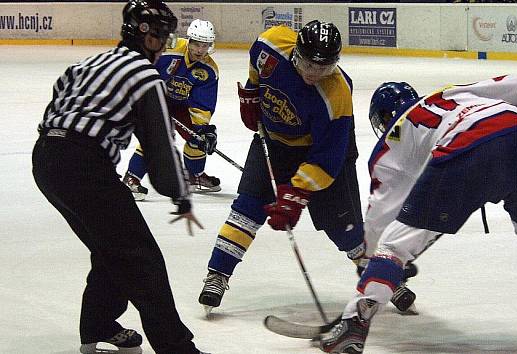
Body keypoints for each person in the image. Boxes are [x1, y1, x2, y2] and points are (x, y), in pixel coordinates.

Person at [319, 75, 517, 353]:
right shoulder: (450, 93)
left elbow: (381, 213)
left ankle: (353, 323)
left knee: (395, 245)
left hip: (463, 151)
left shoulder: (393, 137)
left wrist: (370, 260)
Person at [31, 1, 209, 353]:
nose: (165, 43)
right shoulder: (145, 76)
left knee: (110, 248)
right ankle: (177, 348)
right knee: (141, 257)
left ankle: (98, 324)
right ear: (149, 37)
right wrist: (180, 194)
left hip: (46, 160)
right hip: (84, 167)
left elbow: (57, 106)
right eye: (163, 36)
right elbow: (159, 147)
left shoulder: (86, 63)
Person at [197, 20, 368, 315]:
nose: (314, 74)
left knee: (342, 224)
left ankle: (380, 275)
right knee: (247, 208)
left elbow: (328, 158)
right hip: (273, 143)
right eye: (308, 64)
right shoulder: (271, 43)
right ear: (296, 53)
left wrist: (296, 192)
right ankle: (218, 274)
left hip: (317, 151)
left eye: (324, 67)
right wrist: (252, 92)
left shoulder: (337, 95)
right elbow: (256, 64)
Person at [123, 18, 221, 200]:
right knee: (155, 136)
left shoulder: (209, 70)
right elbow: (142, 68)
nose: (200, 50)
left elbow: (201, 104)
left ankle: (194, 175)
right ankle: (131, 179)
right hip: (153, 98)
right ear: (189, 40)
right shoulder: (169, 51)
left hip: (181, 105)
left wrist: (202, 129)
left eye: (205, 45)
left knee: (198, 138)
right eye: (197, 44)